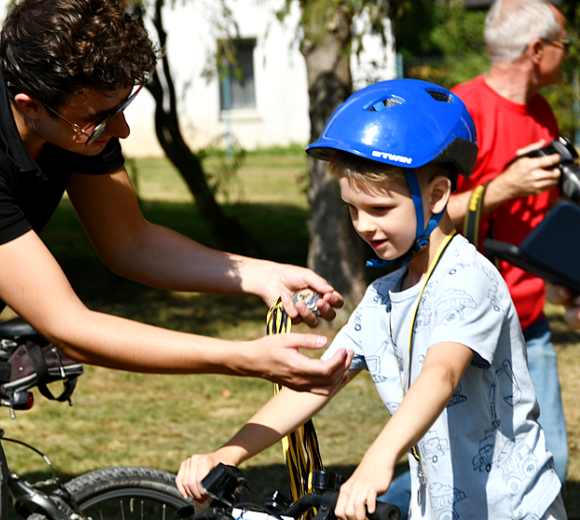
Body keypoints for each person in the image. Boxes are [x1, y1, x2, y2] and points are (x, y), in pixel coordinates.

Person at [0, 0, 353, 518]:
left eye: (124, 106)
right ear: (29, 106)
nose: (120, 129)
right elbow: (72, 327)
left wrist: (258, 275)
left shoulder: (76, 112)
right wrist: (246, 358)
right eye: (101, 118)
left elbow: (130, 241)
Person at [175, 79, 565, 520]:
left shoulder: (468, 279)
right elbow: (322, 380)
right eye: (352, 208)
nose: (363, 225)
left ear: (436, 197)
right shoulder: (384, 294)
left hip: (513, 511)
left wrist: (378, 458)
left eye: (379, 210)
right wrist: (229, 453)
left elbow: (441, 375)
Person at [444, 0, 569, 485]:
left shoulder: (541, 113)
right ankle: (368, 505)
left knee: (548, 454)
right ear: (537, 50)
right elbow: (421, 219)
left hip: (529, 320)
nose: (569, 53)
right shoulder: (460, 110)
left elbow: (546, 218)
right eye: (564, 44)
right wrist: (503, 188)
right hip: (469, 321)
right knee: (459, 456)